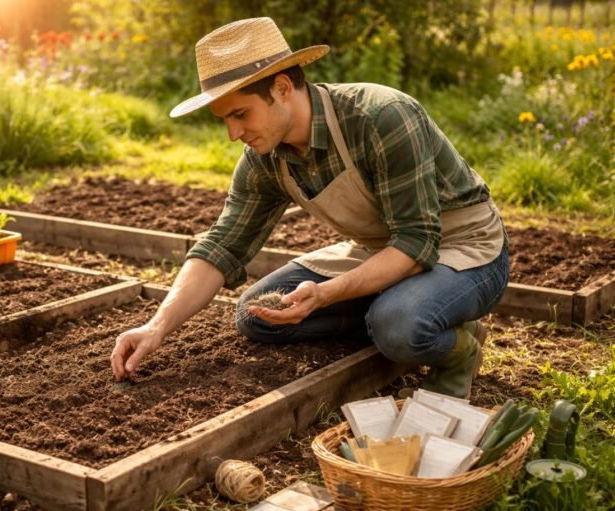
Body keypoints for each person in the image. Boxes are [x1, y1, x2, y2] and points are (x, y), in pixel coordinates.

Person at [110, 17, 509, 399]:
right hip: (379, 249)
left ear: (282, 87)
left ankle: (458, 349)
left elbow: (417, 241)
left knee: (399, 325)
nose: (233, 134)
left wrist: (327, 294)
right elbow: (222, 247)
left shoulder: (380, 117)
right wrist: (156, 327)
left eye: (240, 114)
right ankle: (416, 310)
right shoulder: (265, 157)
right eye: (224, 120)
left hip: (463, 247)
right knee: (256, 314)